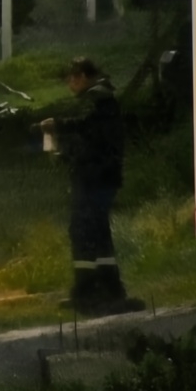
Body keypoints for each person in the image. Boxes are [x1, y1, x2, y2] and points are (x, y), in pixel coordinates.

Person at [34, 56, 143, 315]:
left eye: (71, 79)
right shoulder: (100, 99)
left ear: (82, 76)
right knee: (94, 232)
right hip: (95, 177)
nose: (70, 85)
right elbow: (88, 137)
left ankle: (93, 290)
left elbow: (87, 130)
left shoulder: (98, 99)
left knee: (85, 231)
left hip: (96, 178)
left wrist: (57, 125)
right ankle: (101, 288)